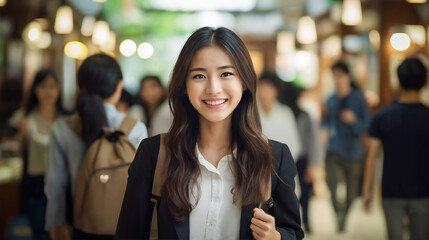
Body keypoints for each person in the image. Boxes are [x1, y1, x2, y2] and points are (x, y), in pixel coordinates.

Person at [116, 27, 304, 240]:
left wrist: (276, 237)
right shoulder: (153, 154)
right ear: (184, 85)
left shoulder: (274, 157)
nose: (213, 88)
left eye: (226, 74)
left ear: (243, 81)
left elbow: (293, 232)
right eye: (199, 76)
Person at [44, 54, 148, 240]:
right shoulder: (135, 127)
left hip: (82, 225)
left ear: (80, 87)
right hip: (127, 227)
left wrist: (56, 221)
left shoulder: (62, 128)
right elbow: (144, 184)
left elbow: (54, 181)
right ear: (119, 86)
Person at [362, 57, 429, 240]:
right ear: (425, 82)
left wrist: (367, 191)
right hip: (424, 192)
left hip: (391, 191)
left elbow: (372, 156)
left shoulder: (383, 116)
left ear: (399, 82)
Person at [8, 69, 68, 240]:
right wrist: (22, 136)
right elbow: (13, 146)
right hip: (36, 183)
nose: (48, 91)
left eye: (52, 86)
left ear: (59, 89)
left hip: (62, 183)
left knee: (61, 232)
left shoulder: (67, 119)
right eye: (43, 86)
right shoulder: (24, 118)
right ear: (35, 89)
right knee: (40, 232)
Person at [321, 60, 370, 232]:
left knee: (351, 192)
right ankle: (337, 213)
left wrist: (354, 120)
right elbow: (326, 123)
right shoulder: (331, 99)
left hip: (355, 151)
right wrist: (323, 134)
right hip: (334, 149)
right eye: (334, 76)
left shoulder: (359, 98)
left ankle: (344, 217)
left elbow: (368, 125)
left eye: (340, 76)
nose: (337, 80)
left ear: (348, 77)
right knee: (332, 185)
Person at [281, 82, 323, 233]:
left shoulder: (304, 115)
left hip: (301, 158)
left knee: (303, 192)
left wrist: (312, 164)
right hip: (288, 158)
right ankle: (296, 221)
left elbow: (312, 141)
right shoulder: (282, 114)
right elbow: (313, 141)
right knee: (292, 193)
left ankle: (304, 220)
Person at [257, 71, 302, 161]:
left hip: (282, 167)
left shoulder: (285, 113)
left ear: (276, 90)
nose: (265, 92)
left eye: (269, 88)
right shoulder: (251, 112)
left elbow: (294, 146)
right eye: (262, 87)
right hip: (258, 167)